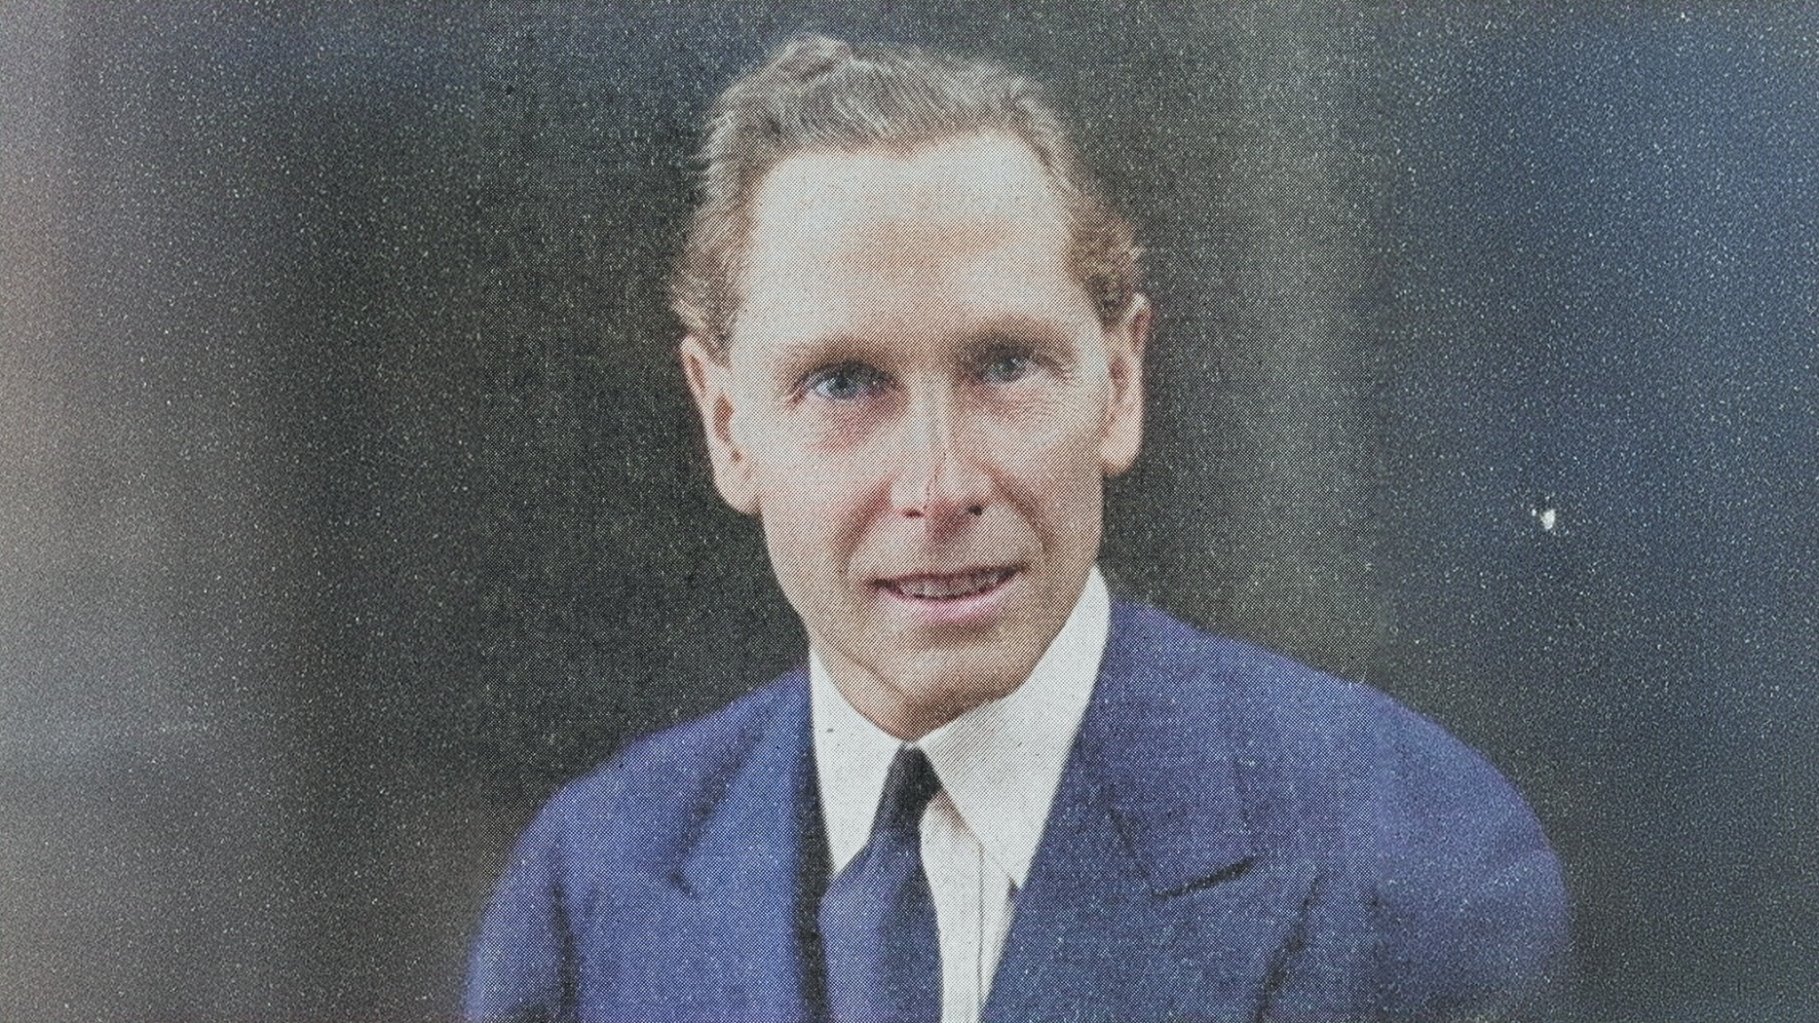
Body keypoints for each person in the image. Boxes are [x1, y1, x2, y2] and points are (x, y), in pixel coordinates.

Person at [465, 34, 1568, 1023]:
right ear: (727, 425)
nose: (939, 488)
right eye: (844, 384)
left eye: (1005, 366)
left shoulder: (1410, 852)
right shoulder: (591, 886)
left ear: (1119, 382)